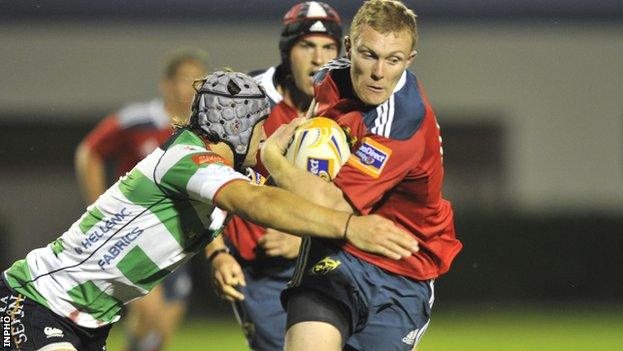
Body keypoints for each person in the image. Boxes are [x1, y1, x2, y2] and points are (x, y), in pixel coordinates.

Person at [0, 71, 418, 351]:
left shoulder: (212, 172)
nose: (263, 136)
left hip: (88, 321)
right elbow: (255, 202)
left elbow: (273, 195)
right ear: (235, 127)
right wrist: (348, 226)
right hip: (36, 302)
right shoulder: (187, 161)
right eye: (259, 126)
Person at [260, 1, 463, 350]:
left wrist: (272, 159)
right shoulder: (327, 79)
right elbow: (310, 148)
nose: (378, 73)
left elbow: (331, 202)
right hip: (338, 254)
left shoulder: (402, 121)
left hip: (402, 268)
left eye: (393, 60)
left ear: (410, 60)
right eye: (369, 55)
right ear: (349, 47)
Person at [208, 2, 343, 350]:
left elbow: (368, 193)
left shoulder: (349, 104)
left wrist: (303, 236)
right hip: (260, 274)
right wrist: (217, 253)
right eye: (307, 46)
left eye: (329, 47)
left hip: (331, 263)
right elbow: (200, 174)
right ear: (287, 51)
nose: (319, 59)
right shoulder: (245, 99)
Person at [74, 50, 207, 351]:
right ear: (167, 83)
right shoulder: (138, 120)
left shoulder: (204, 129)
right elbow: (89, 152)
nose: (192, 87)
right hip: (134, 233)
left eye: (198, 80)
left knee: (163, 328)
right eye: (186, 79)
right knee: (148, 310)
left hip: (180, 237)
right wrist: (98, 206)